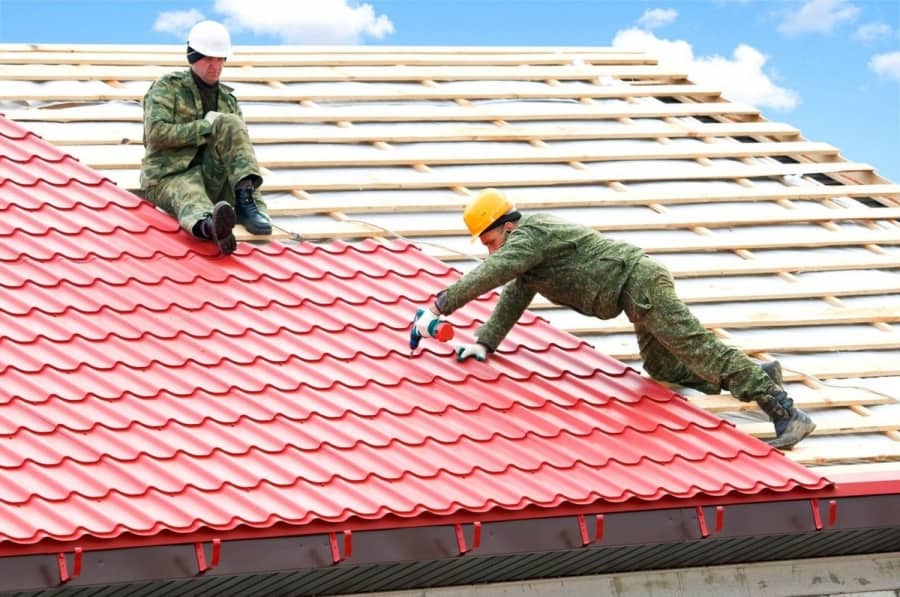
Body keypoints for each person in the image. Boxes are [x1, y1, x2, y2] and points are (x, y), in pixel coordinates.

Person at [414, 188, 816, 450]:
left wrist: (439, 306)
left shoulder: (528, 237)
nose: (490, 253)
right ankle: (759, 374)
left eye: (491, 242)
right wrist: (485, 342)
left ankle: (784, 411)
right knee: (661, 367)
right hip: (631, 291)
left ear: (507, 226)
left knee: (698, 350)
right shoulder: (527, 257)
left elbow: (494, 274)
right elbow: (513, 296)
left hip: (639, 282)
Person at [140, 20, 272, 255]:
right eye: (209, 59)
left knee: (231, 123)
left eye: (220, 59)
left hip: (212, 177)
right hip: (169, 175)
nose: (216, 66)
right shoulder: (168, 88)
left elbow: (239, 158)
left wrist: (257, 207)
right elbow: (156, 135)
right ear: (193, 57)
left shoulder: (228, 100)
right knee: (189, 194)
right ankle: (210, 227)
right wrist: (204, 127)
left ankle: (243, 205)